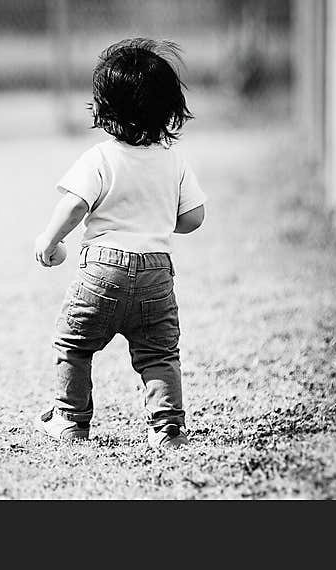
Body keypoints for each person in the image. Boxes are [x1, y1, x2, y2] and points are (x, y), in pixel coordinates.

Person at [33, 38, 206, 448]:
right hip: (156, 273)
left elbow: (75, 206)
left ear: (103, 109)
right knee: (160, 354)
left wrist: (49, 241)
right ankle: (166, 428)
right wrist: (159, 219)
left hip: (102, 271)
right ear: (169, 109)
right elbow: (194, 218)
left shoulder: (100, 158)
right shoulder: (173, 160)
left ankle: (70, 420)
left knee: (73, 343)